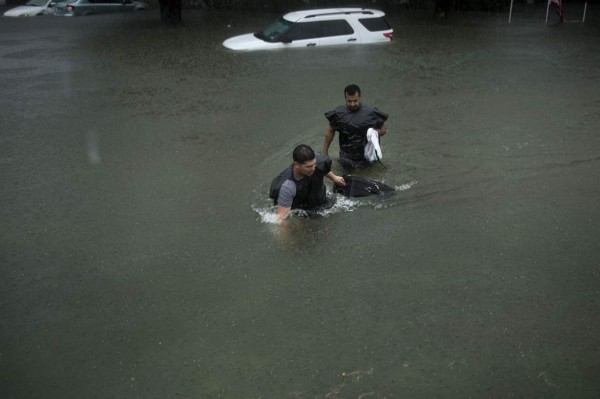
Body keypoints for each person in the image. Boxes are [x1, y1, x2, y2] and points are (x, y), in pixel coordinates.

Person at [270, 144, 346, 220]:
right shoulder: (288, 187)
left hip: (319, 199)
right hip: (301, 210)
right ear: (296, 165)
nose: (313, 168)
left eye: (314, 164)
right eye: (308, 166)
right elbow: (282, 218)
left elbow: (321, 166)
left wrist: (334, 178)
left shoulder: (317, 161)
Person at [323, 84, 389, 170]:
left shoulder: (371, 113)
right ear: (345, 98)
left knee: (371, 177)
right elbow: (330, 131)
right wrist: (325, 152)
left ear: (360, 97)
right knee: (347, 179)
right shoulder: (339, 114)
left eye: (355, 100)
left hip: (367, 155)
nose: (352, 104)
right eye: (349, 101)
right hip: (347, 156)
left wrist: (375, 132)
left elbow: (383, 130)